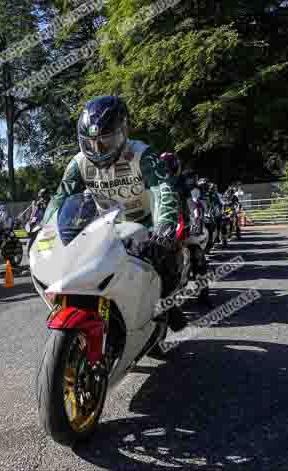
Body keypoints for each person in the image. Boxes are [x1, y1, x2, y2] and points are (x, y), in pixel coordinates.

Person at [45, 95, 188, 331]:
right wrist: (46, 228)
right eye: (89, 142)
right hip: (106, 224)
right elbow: (61, 196)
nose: (97, 148)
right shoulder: (78, 163)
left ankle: (167, 305)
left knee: (166, 258)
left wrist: (164, 225)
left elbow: (162, 188)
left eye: (106, 141)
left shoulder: (142, 154)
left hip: (146, 222)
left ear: (123, 133)